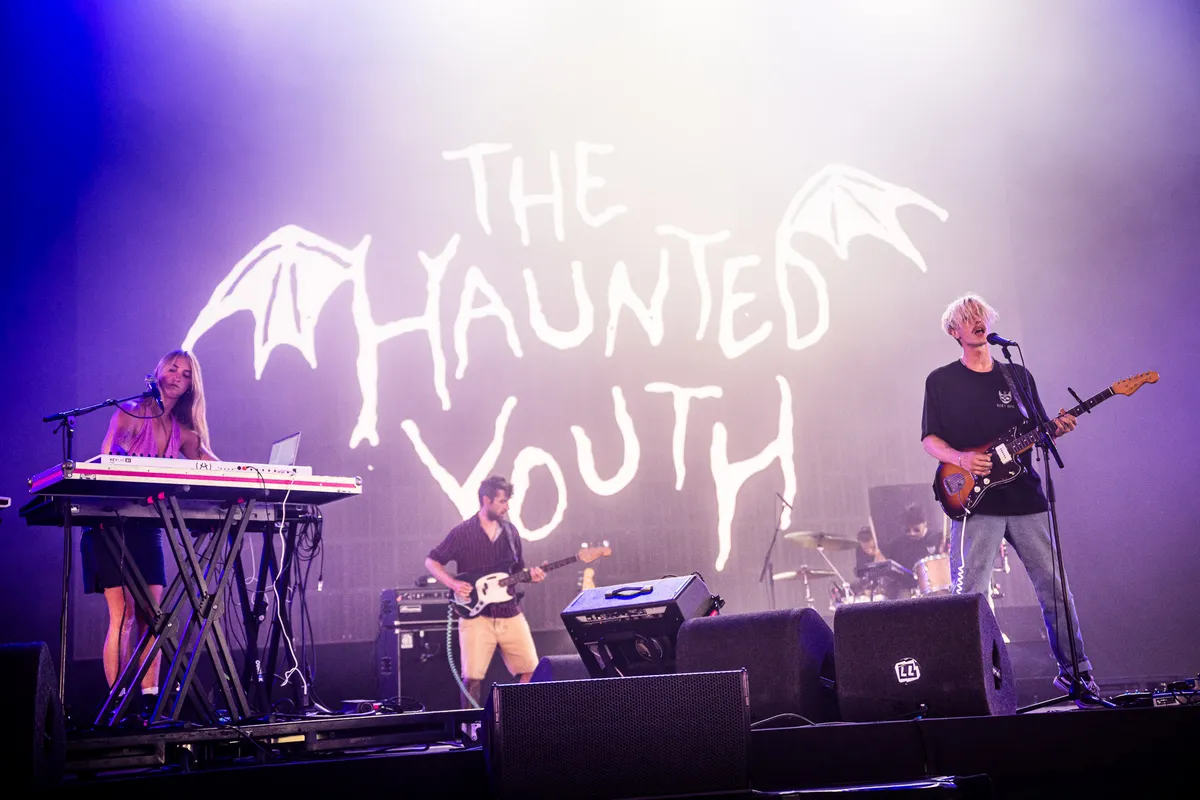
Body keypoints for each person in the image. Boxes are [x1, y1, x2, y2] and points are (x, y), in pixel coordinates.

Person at [920, 293, 1100, 702]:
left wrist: (1056, 428)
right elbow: (930, 440)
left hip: (1024, 497)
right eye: (968, 317)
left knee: (1055, 588)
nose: (977, 321)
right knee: (972, 596)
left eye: (981, 315)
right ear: (954, 331)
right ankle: (977, 682)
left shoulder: (1017, 376)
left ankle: (1077, 673)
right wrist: (962, 458)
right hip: (975, 502)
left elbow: (1038, 430)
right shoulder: (941, 380)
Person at [80, 349, 217, 718]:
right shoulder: (130, 411)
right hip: (111, 521)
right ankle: (118, 705)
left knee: (153, 617)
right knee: (123, 614)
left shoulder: (183, 431)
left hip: (147, 525)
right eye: (172, 369)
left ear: (191, 386)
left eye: (185, 374)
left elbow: (214, 466)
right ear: (158, 372)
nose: (177, 377)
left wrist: (257, 475)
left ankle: (148, 702)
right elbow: (110, 455)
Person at [424, 476, 545, 708]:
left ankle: (519, 718)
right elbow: (432, 561)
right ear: (486, 500)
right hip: (476, 616)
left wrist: (532, 576)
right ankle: (470, 726)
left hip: (509, 612)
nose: (507, 507)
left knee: (533, 671)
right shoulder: (462, 532)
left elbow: (517, 571)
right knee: (472, 678)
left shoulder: (511, 532)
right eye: (502, 501)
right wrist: (454, 584)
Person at [881, 503, 945, 581]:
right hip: (905, 586)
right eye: (907, 530)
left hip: (934, 584)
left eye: (916, 530)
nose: (912, 533)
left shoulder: (938, 539)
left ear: (925, 523)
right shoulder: (896, 544)